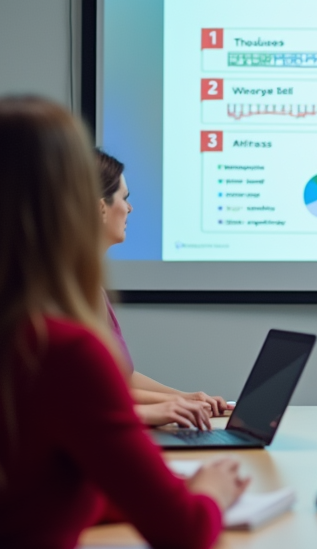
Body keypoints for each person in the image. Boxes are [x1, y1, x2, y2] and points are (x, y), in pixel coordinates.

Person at [0, 97, 247, 548]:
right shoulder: (59, 350)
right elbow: (184, 531)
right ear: (74, 205)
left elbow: (15, 496)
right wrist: (210, 490)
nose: (128, 208)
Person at [96, 149, 229, 429]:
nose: (129, 208)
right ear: (101, 208)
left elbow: (120, 378)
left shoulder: (91, 288)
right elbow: (86, 397)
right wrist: (161, 408)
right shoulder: (62, 294)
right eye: (125, 198)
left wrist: (183, 398)